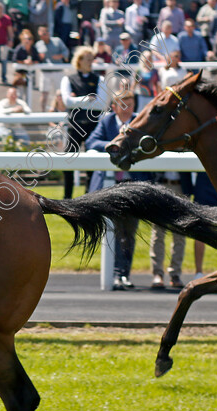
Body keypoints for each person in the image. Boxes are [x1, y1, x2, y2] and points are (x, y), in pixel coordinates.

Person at [85, 89, 148, 289]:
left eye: (130, 104)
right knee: (111, 231)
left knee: (129, 231)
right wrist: (115, 144)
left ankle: (124, 274)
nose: (127, 108)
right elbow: (91, 142)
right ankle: (112, 273)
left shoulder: (140, 121)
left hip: (132, 186)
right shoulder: (107, 122)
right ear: (114, 106)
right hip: (109, 186)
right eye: (122, 104)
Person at [60, 46, 108, 199]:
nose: (91, 62)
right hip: (75, 126)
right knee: (68, 161)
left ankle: (89, 197)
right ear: (79, 61)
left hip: (93, 127)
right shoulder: (68, 78)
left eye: (91, 59)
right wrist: (87, 99)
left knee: (91, 163)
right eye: (87, 59)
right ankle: (67, 198)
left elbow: (101, 104)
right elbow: (67, 101)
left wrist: (77, 101)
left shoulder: (99, 79)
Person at [35, 25, 69, 112]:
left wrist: (60, 56)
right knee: (44, 93)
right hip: (45, 72)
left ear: (49, 33)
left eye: (45, 33)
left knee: (60, 93)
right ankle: (43, 113)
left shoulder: (57, 41)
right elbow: (35, 58)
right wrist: (39, 58)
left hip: (58, 71)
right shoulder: (38, 45)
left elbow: (66, 51)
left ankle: (61, 112)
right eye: (42, 34)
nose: (44, 35)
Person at [10, 29, 39, 99]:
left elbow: (38, 59)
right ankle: (20, 109)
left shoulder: (33, 49)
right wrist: (24, 62)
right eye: (26, 39)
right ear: (22, 39)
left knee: (29, 95)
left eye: (30, 39)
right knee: (20, 94)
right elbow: (14, 59)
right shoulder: (19, 48)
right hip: (21, 75)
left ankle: (27, 109)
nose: (28, 41)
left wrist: (32, 62)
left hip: (30, 75)